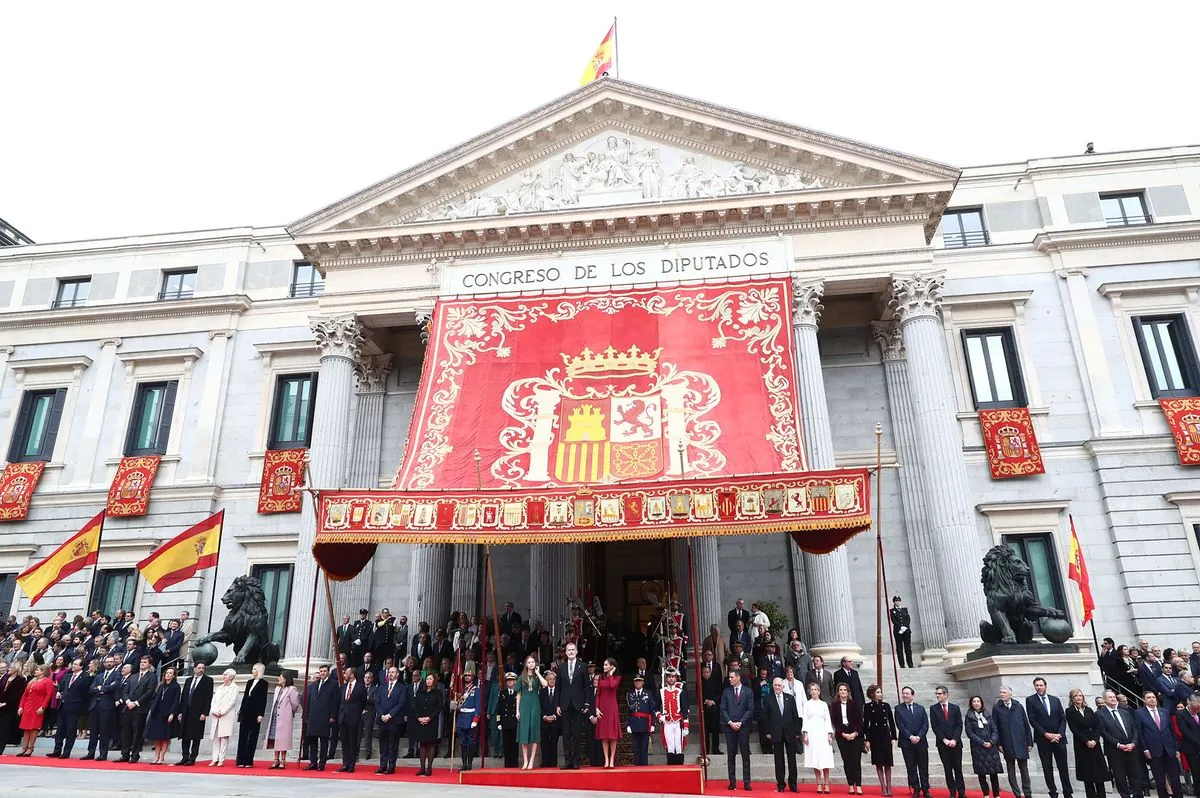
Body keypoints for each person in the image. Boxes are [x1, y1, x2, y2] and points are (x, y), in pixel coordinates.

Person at [1027, 677, 1075, 798]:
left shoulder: (1055, 700)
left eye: (1041, 685)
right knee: (1047, 767)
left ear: (1045, 686)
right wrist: (1046, 734)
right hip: (1043, 739)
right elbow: (1033, 720)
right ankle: (1053, 792)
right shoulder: (1030, 700)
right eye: (1037, 685)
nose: (1039, 687)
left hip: (1059, 738)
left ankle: (1068, 793)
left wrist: (1059, 734)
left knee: (1063, 767)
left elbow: (1062, 718)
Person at [1135, 690, 1182, 798]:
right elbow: (1140, 733)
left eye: (1153, 697)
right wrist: (1145, 749)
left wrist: (1176, 749)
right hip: (1153, 750)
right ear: (1144, 700)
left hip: (1169, 749)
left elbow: (1171, 731)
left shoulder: (1164, 711)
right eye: (1149, 697)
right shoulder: (1139, 713)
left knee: (1175, 778)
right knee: (1160, 779)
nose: (1152, 699)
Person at [1097, 688, 1142, 798]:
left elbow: (1134, 729)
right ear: (1104, 700)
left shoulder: (1125, 712)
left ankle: (1136, 795)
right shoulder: (1100, 714)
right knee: (1120, 777)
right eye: (1110, 697)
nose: (1113, 699)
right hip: (1115, 750)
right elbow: (1104, 732)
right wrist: (1118, 745)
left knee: (1135, 776)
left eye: (1114, 697)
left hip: (1131, 749)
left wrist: (1133, 743)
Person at [1065, 688, 1110, 798]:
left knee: (1099, 774)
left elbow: (1097, 726)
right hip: (1082, 745)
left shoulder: (1089, 710)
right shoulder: (1069, 711)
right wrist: (1086, 741)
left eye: (1080, 695)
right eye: (1076, 696)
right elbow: (1074, 729)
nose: (1078, 698)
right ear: (1072, 698)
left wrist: (1095, 740)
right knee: (1088, 774)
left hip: (1095, 745)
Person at [994, 686, 1034, 798]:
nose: (1002, 694)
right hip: (1007, 743)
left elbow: (1026, 725)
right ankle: (1017, 794)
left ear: (1010, 694)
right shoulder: (997, 708)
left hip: (1021, 742)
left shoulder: (1018, 706)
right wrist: (999, 744)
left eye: (1004, 692)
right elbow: (995, 727)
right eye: (1001, 692)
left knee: (1024, 770)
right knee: (1011, 770)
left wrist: (1029, 742)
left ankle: (1028, 793)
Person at [555, 641, 589, 770]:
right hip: (564, 704)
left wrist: (586, 702)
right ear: (566, 652)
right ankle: (567, 760)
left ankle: (575, 761)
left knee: (576, 733)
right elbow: (558, 688)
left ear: (576, 651)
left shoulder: (583, 666)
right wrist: (557, 704)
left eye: (572, 650)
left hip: (578, 704)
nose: (570, 652)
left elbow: (587, 687)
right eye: (568, 650)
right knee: (566, 734)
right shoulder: (561, 667)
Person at [118, 655, 157, 763]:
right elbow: (125, 691)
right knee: (126, 732)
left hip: (140, 708)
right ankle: (124, 754)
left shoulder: (152, 677)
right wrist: (128, 701)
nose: (142, 664)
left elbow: (149, 692)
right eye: (141, 662)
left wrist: (136, 703)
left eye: (145, 662)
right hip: (128, 707)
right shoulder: (133, 676)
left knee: (137, 733)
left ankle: (135, 755)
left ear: (149, 664)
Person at [721, 668, 756, 791]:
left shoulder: (748, 692)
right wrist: (730, 722)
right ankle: (732, 782)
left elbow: (750, 709)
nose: (729, 679)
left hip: (743, 728)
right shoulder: (726, 691)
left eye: (731, 677)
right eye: (729, 677)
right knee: (731, 756)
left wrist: (740, 722)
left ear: (738, 677)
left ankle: (747, 782)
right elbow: (723, 709)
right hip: (730, 728)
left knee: (745, 756)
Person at [763, 677, 799, 792]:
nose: (777, 687)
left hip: (790, 732)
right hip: (776, 732)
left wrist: (797, 732)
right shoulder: (768, 699)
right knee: (779, 760)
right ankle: (781, 785)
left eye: (779, 685)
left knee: (792, 759)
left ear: (783, 686)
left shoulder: (790, 698)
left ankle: (793, 784)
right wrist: (768, 732)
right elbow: (766, 717)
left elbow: (795, 716)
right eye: (775, 685)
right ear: (772, 686)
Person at [930, 685, 966, 798]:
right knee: (947, 768)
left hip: (956, 744)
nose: (937, 695)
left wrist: (954, 739)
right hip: (943, 744)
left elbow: (959, 725)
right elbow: (935, 727)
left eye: (939, 694)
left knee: (958, 768)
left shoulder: (955, 708)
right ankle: (952, 792)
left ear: (946, 694)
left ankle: (961, 791)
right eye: (936, 693)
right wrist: (944, 740)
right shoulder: (933, 708)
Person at [51, 657, 90, 759]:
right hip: (63, 705)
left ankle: (66, 752)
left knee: (70, 731)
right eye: (73, 664)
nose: (73, 666)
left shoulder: (85, 677)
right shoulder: (67, 676)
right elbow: (61, 686)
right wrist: (59, 692)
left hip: (74, 707)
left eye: (76, 664)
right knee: (60, 730)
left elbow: (85, 694)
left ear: (81, 666)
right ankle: (57, 750)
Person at [895, 686, 931, 798]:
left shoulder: (920, 708)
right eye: (903, 693)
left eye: (907, 693)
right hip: (907, 742)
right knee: (911, 767)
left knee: (923, 767)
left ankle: (926, 789)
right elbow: (900, 725)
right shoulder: (898, 708)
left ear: (912, 695)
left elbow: (925, 724)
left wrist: (919, 737)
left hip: (921, 742)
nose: (905, 695)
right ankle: (916, 788)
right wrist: (910, 737)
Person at [965, 695, 1004, 798]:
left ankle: (996, 794)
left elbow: (994, 729)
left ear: (981, 703)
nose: (977, 703)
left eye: (978, 701)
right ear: (971, 704)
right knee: (981, 773)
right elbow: (970, 733)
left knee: (993, 773)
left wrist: (991, 741)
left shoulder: (987, 715)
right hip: (978, 748)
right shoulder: (969, 717)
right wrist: (982, 742)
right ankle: (986, 794)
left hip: (991, 747)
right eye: (974, 701)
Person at [863, 684, 898, 797]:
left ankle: (889, 786)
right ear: (872, 694)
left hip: (885, 735)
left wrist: (894, 737)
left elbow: (891, 722)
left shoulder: (886, 706)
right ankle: (882, 787)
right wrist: (867, 740)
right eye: (878, 692)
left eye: (880, 692)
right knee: (879, 762)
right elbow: (866, 724)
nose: (880, 694)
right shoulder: (868, 707)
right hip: (875, 736)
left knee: (888, 763)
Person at [176, 661, 212, 766]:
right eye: (199, 668)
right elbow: (184, 697)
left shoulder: (208, 680)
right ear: (194, 668)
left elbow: (208, 698)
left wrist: (205, 713)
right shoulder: (188, 680)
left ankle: (192, 758)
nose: (201, 670)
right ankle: (185, 757)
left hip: (198, 712)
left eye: (203, 668)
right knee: (185, 736)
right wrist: (180, 712)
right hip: (186, 712)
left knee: (196, 736)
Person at [305, 664, 339, 771]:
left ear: (328, 672)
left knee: (324, 741)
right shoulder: (313, 685)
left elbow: (335, 701)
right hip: (313, 716)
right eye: (321, 671)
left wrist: (333, 715)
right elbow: (308, 701)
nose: (322, 673)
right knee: (312, 740)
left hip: (325, 716)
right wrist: (306, 715)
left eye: (324, 671)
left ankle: (322, 763)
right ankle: (313, 762)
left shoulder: (333, 684)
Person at [802, 680, 835, 793]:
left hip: (823, 732)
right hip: (812, 733)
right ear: (809, 692)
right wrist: (805, 734)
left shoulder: (823, 704)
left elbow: (828, 720)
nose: (814, 692)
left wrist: (830, 734)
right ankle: (818, 783)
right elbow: (805, 720)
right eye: (812, 690)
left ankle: (826, 783)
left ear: (819, 691)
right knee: (815, 759)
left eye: (816, 690)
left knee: (825, 759)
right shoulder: (807, 704)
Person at [515, 654, 547, 769]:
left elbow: (545, 684)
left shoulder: (537, 677)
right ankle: (525, 760)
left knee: (534, 732)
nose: (531, 664)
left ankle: (532, 760)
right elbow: (518, 694)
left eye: (533, 662)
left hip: (535, 704)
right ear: (525, 664)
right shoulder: (521, 677)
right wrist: (517, 710)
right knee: (524, 732)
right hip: (524, 705)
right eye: (529, 662)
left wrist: (538, 672)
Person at [144, 665, 180, 765]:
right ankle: (156, 756)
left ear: (174, 676)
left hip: (167, 714)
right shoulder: (161, 685)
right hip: (157, 713)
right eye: (167, 673)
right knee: (157, 737)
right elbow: (154, 698)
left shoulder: (175, 686)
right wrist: (152, 707)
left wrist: (172, 713)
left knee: (164, 737)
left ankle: (161, 757)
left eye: (170, 673)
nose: (168, 675)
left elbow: (176, 701)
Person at [833, 681, 865, 794]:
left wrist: (854, 733)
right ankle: (851, 785)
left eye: (845, 690)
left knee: (856, 761)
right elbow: (835, 722)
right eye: (840, 690)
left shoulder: (853, 703)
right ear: (838, 692)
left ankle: (859, 785)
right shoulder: (835, 705)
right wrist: (843, 734)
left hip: (855, 734)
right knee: (847, 761)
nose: (843, 692)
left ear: (848, 692)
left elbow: (858, 720)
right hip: (842, 735)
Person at [16, 663, 54, 756]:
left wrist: (43, 707)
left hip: (37, 705)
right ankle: (24, 747)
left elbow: (48, 695)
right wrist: (21, 706)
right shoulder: (32, 680)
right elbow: (25, 694)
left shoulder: (47, 681)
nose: (35, 671)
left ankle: (30, 747)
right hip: (27, 705)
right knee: (26, 727)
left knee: (33, 727)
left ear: (43, 672)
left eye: (37, 670)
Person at [411, 672, 444, 776]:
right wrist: (419, 718)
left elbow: (439, 707)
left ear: (434, 680)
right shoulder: (420, 692)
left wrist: (429, 718)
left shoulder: (438, 693)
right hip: (420, 721)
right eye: (427, 679)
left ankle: (429, 768)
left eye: (430, 679)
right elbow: (415, 706)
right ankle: (422, 768)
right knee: (422, 744)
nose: (428, 681)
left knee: (430, 744)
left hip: (431, 721)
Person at [375, 666, 406, 774]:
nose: (390, 674)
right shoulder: (382, 686)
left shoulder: (402, 687)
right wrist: (381, 714)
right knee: (382, 744)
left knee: (392, 744)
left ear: (397, 674)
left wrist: (390, 715)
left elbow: (401, 703)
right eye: (389, 672)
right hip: (382, 720)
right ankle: (382, 765)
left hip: (394, 720)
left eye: (393, 672)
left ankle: (391, 766)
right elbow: (377, 702)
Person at [266, 673, 300, 770]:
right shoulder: (277, 688)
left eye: (280, 677)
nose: (279, 679)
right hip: (275, 716)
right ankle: (275, 759)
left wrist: (290, 713)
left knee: (283, 739)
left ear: (285, 679)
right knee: (275, 738)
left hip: (285, 717)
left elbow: (295, 704)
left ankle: (283, 760)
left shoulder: (291, 689)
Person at [236, 662, 267, 768]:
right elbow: (245, 697)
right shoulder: (249, 682)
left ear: (259, 671)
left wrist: (261, 714)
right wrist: (240, 711)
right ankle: (240, 760)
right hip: (246, 712)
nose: (252, 671)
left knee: (252, 736)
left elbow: (263, 700)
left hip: (255, 713)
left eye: (254, 669)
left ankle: (248, 760)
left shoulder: (264, 683)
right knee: (243, 736)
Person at [336, 665, 366, 773]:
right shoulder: (343, 687)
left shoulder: (360, 687)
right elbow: (341, 701)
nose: (345, 675)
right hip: (343, 717)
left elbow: (363, 702)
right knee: (344, 742)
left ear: (352, 675)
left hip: (354, 718)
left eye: (346, 673)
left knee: (352, 742)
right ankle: (345, 763)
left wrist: (357, 712)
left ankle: (352, 765)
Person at [593, 658, 621, 768]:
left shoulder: (617, 677)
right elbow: (598, 694)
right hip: (602, 709)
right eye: (604, 664)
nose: (604, 666)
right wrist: (596, 708)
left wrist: (610, 674)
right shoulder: (600, 678)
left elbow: (612, 686)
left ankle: (612, 759)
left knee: (612, 736)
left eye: (606, 665)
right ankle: (606, 759)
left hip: (612, 708)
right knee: (604, 736)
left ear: (612, 666)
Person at [658, 667, 689, 766]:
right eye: (669, 677)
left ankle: (680, 767)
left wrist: (686, 726)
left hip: (678, 722)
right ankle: (671, 768)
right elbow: (655, 707)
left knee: (678, 746)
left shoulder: (680, 692)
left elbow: (685, 711)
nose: (671, 679)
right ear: (666, 678)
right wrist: (659, 716)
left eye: (673, 677)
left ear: (676, 678)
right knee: (670, 746)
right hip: (667, 722)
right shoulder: (661, 691)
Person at [208, 668, 239, 766]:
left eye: (226, 675)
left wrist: (222, 712)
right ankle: (214, 758)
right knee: (216, 738)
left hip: (226, 715)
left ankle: (221, 758)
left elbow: (232, 702)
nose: (224, 677)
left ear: (230, 677)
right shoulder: (219, 687)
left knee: (224, 737)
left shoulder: (235, 687)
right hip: (216, 714)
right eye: (224, 675)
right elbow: (214, 700)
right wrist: (214, 710)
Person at [626, 672, 657, 766]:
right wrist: (628, 724)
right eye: (636, 681)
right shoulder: (630, 694)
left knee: (644, 749)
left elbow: (652, 710)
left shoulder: (648, 693)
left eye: (639, 681)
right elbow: (628, 711)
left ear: (643, 682)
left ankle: (644, 769)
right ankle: (637, 769)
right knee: (636, 749)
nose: (638, 683)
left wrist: (653, 724)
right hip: (634, 724)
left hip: (645, 724)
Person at [456, 668, 482, 771]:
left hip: (471, 717)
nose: (467, 677)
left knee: (470, 741)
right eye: (466, 675)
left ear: (473, 677)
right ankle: (464, 764)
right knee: (463, 741)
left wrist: (476, 719)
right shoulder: (461, 690)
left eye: (469, 676)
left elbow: (478, 706)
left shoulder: (476, 690)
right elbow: (458, 704)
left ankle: (469, 764)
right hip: (461, 717)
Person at [0, 660, 28, 756]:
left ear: (16, 669)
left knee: (4, 729)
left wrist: (6, 703)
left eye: (11, 668)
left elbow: (17, 694)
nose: (8, 669)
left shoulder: (20, 680)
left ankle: (0, 749)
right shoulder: (5, 677)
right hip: (0, 705)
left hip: (9, 707)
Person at [538, 669, 560, 768]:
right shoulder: (542, 691)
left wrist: (555, 716)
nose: (552, 680)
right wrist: (544, 716)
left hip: (556, 721)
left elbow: (561, 705)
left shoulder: (560, 692)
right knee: (544, 743)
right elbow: (539, 706)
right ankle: (545, 762)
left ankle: (553, 763)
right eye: (550, 679)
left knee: (554, 743)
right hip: (544, 721)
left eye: (553, 679)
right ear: (546, 680)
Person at [702, 663, 724, 756]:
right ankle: (705, 749)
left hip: (715, 708)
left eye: (707, 672)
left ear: (710, 672)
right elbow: (698, 694)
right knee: (705, 731)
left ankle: (715, 749)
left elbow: (719, 693)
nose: (706, 674)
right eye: (704, 672)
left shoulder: (716, 682)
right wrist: (706, 701)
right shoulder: (700, 682)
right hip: (704, 708)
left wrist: (713, 701)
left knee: (715, 730)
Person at [889, 597, 914, 668]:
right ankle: (902, 665)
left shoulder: (905, 610)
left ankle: (910, 664)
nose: (898, 602)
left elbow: (908, 619)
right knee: (899, 648)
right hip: (898, 632)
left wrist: (905, 627)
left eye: (899, 601)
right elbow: (894, 621)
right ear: (894, 602)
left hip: (906, 631)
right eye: (896, 601)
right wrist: (900, 627)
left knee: (908, 648)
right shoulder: (892, 611)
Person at [359, 668, 378, 761]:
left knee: (368, 733)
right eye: (365, 677)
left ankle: (368, 752)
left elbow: (375, 700)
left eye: (369, 678)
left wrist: (366, 698)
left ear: (372, 679)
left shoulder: (375, 689)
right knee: (357, 734)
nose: (367, 679)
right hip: (359, 712)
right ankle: (356, 752)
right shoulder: (360, 687)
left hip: (369, 713)